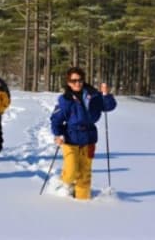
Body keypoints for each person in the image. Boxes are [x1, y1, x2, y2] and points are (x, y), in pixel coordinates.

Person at [50, 66, 117, 200]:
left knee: (85, 173)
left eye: (80, 80)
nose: (77, 83)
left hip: (89, 138)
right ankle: (64, 185)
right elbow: (56, 119)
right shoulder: (65, 100)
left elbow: (108, 106)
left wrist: (106, 95)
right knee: (71, 171)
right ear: (68, 82)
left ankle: (82, 200)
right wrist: (58, 134)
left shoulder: (94, 95)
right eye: (73, 81)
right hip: (70, 139)